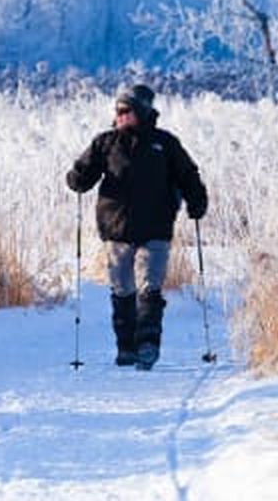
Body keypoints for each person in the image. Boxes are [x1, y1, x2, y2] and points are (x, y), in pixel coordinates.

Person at [66, 84, 208, 370]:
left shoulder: (165, 144)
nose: (120, 116)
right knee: (122, 289)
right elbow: (83, 176)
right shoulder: (105, 143)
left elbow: (188, 175)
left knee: (149, 287)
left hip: (156, 228)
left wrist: (197, 201)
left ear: (142, 111)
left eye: (126, 110)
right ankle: (126, 348)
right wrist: (78, 177)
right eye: (117, 111)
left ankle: (147, 346)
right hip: (116, 230)